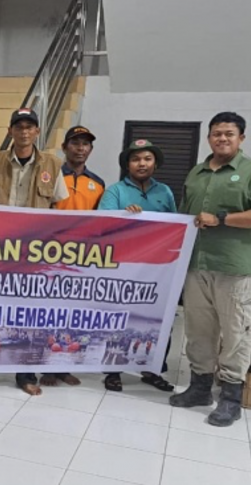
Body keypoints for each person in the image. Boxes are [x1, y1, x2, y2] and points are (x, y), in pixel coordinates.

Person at [0, 107, 70, 396]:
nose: (24, 132)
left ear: (37, 131)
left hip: (34, 252)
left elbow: (58, 205)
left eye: (29, 127)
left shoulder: (53, 164)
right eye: (19, 127)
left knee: (28, 313)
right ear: (10, 131)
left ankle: (25, 374)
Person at [169, 112, 251, 427]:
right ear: (209, 138)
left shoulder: (247, 171)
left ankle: (230, 398)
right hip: (195, 264)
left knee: (235, 334)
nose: (222, 138)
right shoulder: (196, 172)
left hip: (234, 267)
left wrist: (222, 219)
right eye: (217, 133)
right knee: (198, 330)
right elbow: (184, 216)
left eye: (229, 133)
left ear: (241, 138)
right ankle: (200, 387)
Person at [98, 139, 177, 393]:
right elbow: (103, 226)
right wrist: (125, 218)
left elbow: (176, 228)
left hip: (158, 270)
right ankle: (113, 371)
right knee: (119, 318)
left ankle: (154, 369)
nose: (142, 163)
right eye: (135, 159)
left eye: (147, 159)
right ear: (127, 164)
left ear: (155, 163)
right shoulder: (115, 191)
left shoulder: (165, 192)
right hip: (123, 268)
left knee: (159, 317)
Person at [41, 125, 105, 387]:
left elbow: (102, 222)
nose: (80, 148)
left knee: (72, 313)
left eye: (85, 144)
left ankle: (63, 367)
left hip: (81, 259)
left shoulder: (98, 184)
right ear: (65, 147)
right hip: (49, 256)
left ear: (90, 149)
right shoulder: (50, 176)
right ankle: (45, 367)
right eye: (75, 143)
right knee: (48, 312)